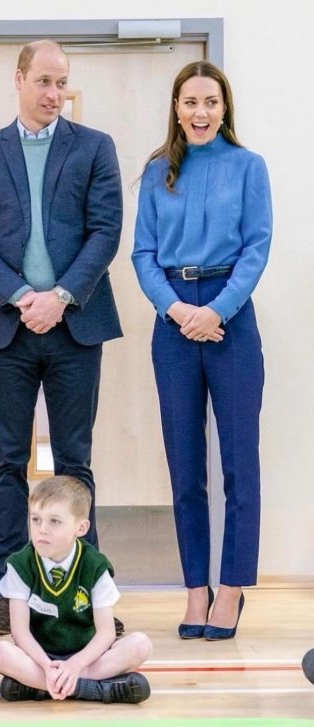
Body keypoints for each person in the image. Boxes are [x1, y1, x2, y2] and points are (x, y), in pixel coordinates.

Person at [0, 40, 123, 635]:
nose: (54, 94)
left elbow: (106, 231)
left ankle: (89, 598)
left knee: (75, 462)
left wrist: (61, 296)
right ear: (19, 78)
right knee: (8, 461)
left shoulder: (95, 148)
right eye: (45, 81)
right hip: (8, 328)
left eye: (62, 84)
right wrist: (24, 297)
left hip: (77, 324)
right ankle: (7, 596)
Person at [132, 61, 272, 640]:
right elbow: (142, 254)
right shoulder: (157, 170)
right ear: (176, 107)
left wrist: (216, 311)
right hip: (174, 320)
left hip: (230, 318)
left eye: (211, 102)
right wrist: (179, 311)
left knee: (240, 463)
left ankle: (232, 588)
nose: (200, 112)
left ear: (225, 107)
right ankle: (195, 588)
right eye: (190, 102)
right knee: (186, 467)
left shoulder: (248, 167)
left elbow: (257, 247)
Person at [0, 475, 151, 704]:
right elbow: (19, 631)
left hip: (87, 659)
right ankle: (92, 689)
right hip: (39, 658)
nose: (42, 530)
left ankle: (41, 687)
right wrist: (47, 666)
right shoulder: (20, 564)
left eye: (54, 521)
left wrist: (75, 665)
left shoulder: (95, 566)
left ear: (81, 527)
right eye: (35, 520)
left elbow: (106, 633)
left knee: (140, 644)